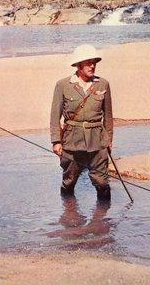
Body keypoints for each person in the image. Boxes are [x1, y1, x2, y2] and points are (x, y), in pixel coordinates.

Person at [50, 44, 113, 201]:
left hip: (97, 140)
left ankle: (103, 221)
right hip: (72, 141)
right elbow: (54, 116)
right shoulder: (63, 85)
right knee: (69, 180)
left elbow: (109, 116)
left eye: (94, 62)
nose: (92, 66)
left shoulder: (103, 84)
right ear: (78, 65)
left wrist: (109, 140)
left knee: (102, 181)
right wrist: (56, 141)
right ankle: (69, 215)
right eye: (88, 62)